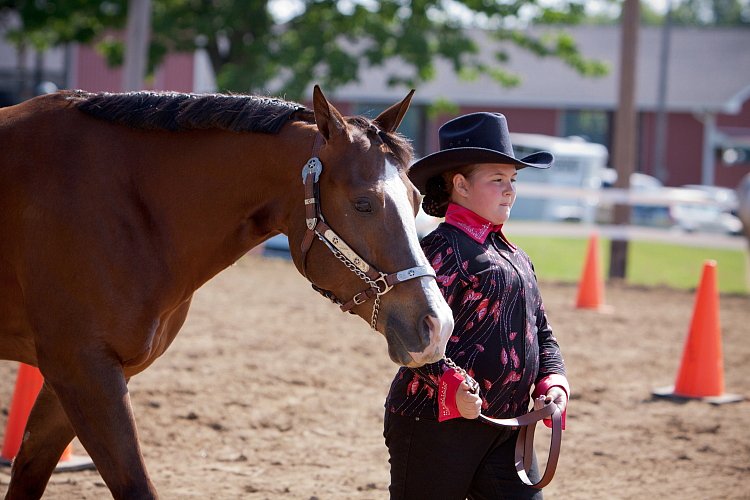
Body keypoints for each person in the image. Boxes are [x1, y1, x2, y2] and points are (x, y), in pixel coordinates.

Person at [384, 112, 569, 500]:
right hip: (434, 424)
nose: (510, 191)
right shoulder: (439, 252)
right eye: (497, 179)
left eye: (513, 180)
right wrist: (450, 384)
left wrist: (552, 380)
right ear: (461, 185)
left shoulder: (516, 256)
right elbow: (413, 332)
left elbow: (542, 331)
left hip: (507, 428)